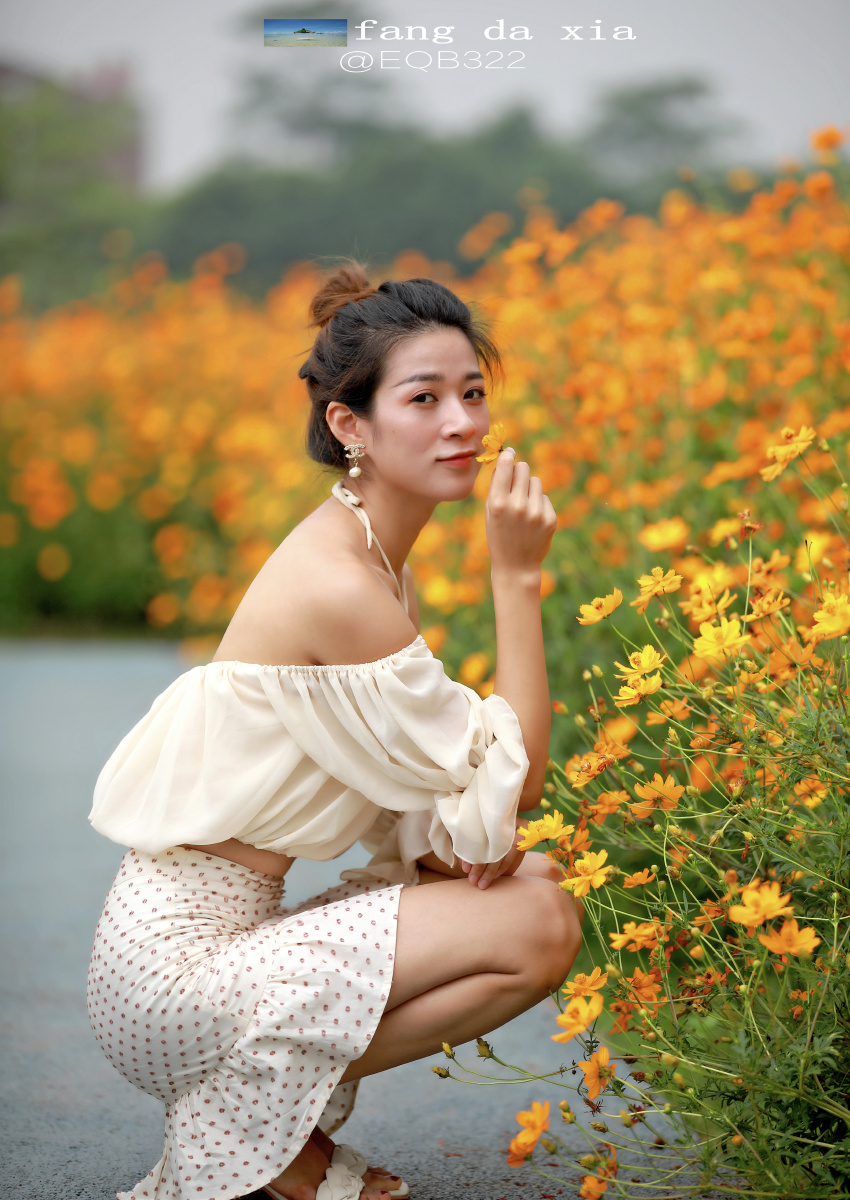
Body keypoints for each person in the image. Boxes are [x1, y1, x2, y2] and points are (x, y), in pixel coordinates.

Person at [86, 261, 582, 1200]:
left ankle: (264, 1117)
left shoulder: (372, 559)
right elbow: (513, 792)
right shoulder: (338, 584)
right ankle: (247, 1117)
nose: (463, 423)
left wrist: (479, 850)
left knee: (538, 885)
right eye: (425, 398)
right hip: (175, 978)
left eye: (473, 393)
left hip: (209, 957)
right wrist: (516, 576)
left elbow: (448, 825)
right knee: (538, 921)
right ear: (349, 425)